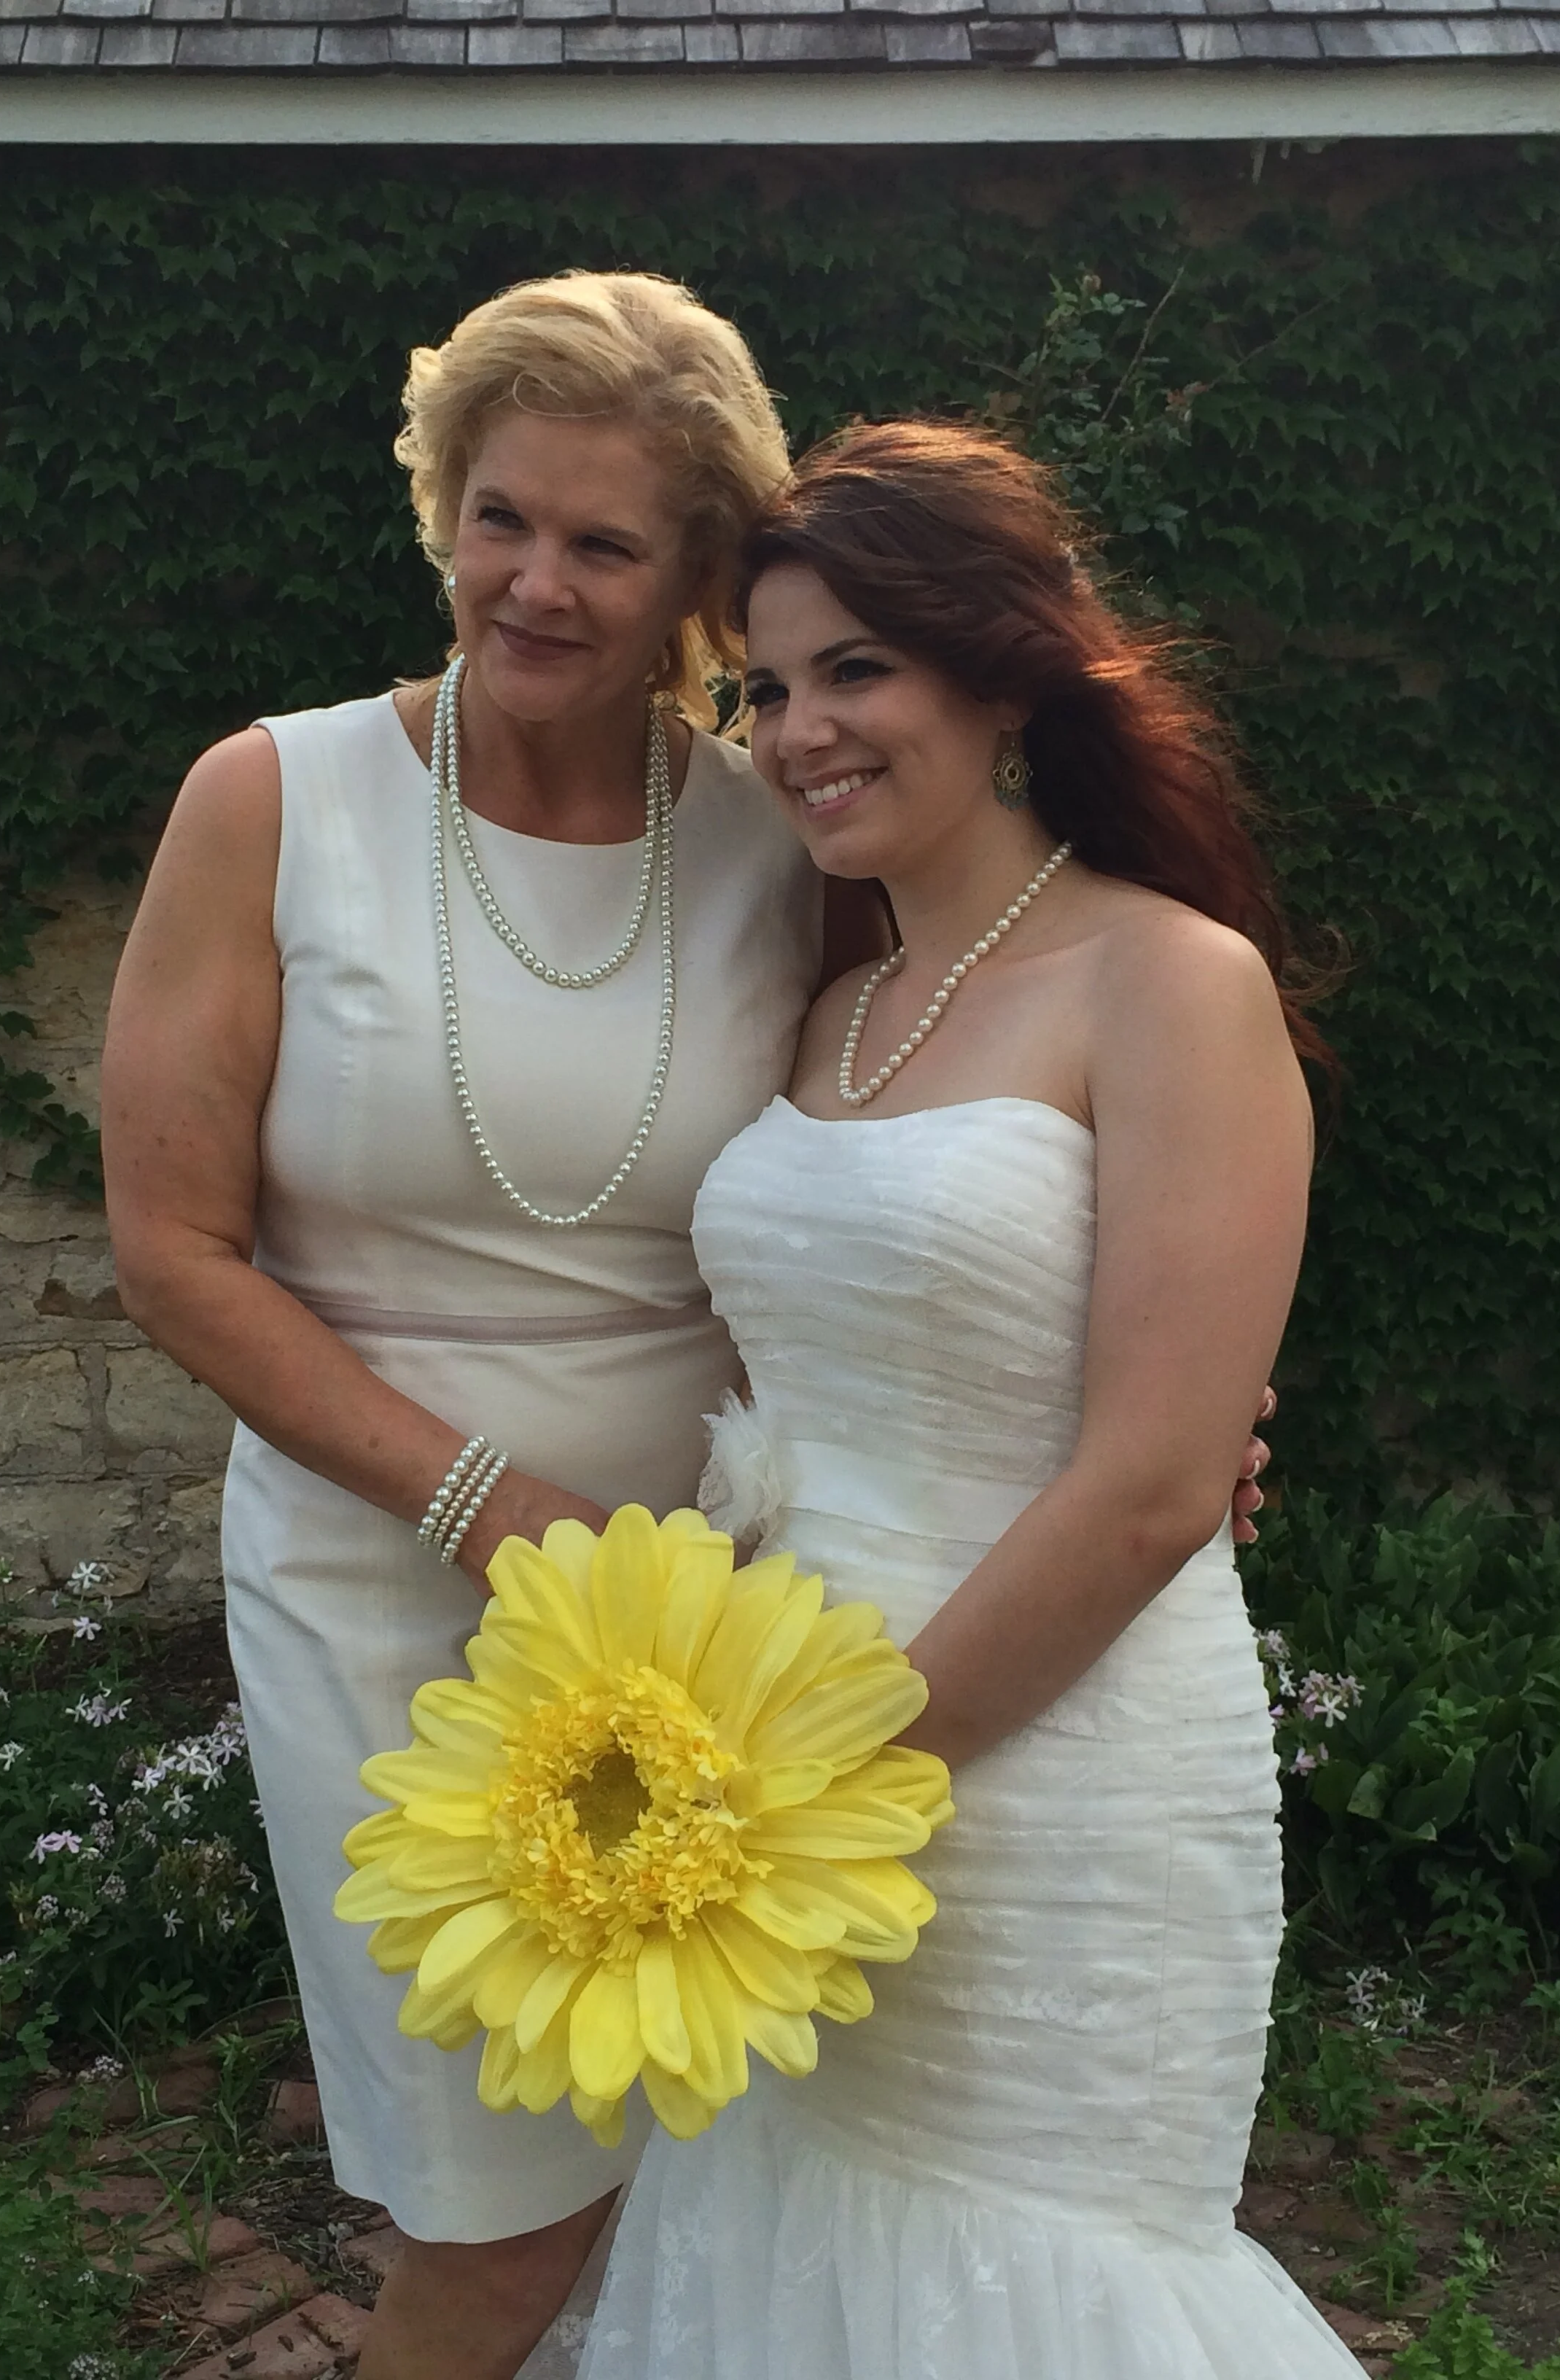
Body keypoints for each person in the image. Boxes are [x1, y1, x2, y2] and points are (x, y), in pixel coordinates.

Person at [102, 273, 1271, 2380]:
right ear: (444, 510)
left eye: (608, 543)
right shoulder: (273, 800)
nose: (537, 582)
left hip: (748, 1632)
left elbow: (970, 1189)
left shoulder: (775, 836)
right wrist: (491, 1508)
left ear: (687, 590)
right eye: (501, 518)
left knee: (726, 2196)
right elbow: (173, 1246)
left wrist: (1144, 1439)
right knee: (507, 2209)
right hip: (401, 1572)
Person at [578, 421, 1361, 2379]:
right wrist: (726, 1769)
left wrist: (826, 1787)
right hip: (773, 1763)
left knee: (1044, 2272)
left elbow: (1153, 1486)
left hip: (1052, 1774)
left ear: (1005, 678)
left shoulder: (1170, 982)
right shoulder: (832, 1005)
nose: (801, 731)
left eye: (856, 668)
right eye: (766, 689)